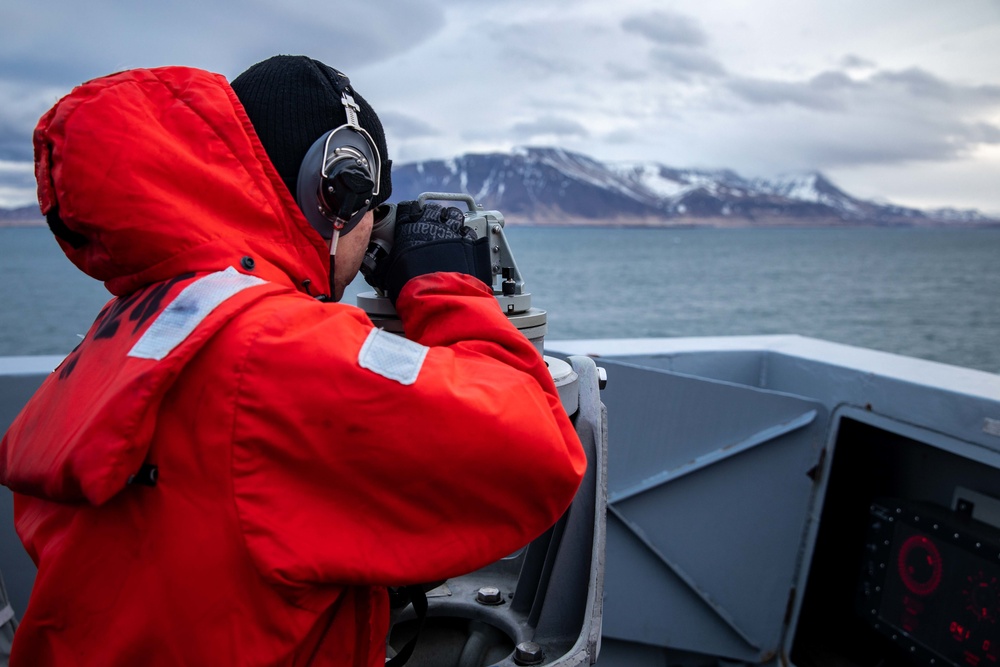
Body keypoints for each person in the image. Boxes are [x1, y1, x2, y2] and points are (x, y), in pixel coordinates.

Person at [0, 55, 587, 666]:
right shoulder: (272, 352)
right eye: (369, 206)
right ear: (334, 194)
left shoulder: (134, 325)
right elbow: (535, 450)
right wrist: (448, 287)